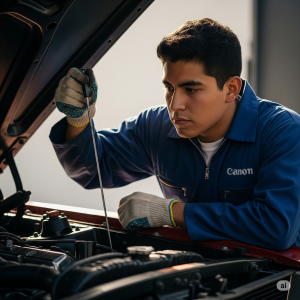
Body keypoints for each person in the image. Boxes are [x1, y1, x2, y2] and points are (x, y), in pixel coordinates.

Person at [50, 18, 300, 251]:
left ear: (231, 89)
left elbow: (276, 226)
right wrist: (78, 120)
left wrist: (173, 213)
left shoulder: (282, 131)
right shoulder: (155, 126)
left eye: (191, 89)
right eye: (169, 88)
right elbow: (95, 169)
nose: (175, 104)